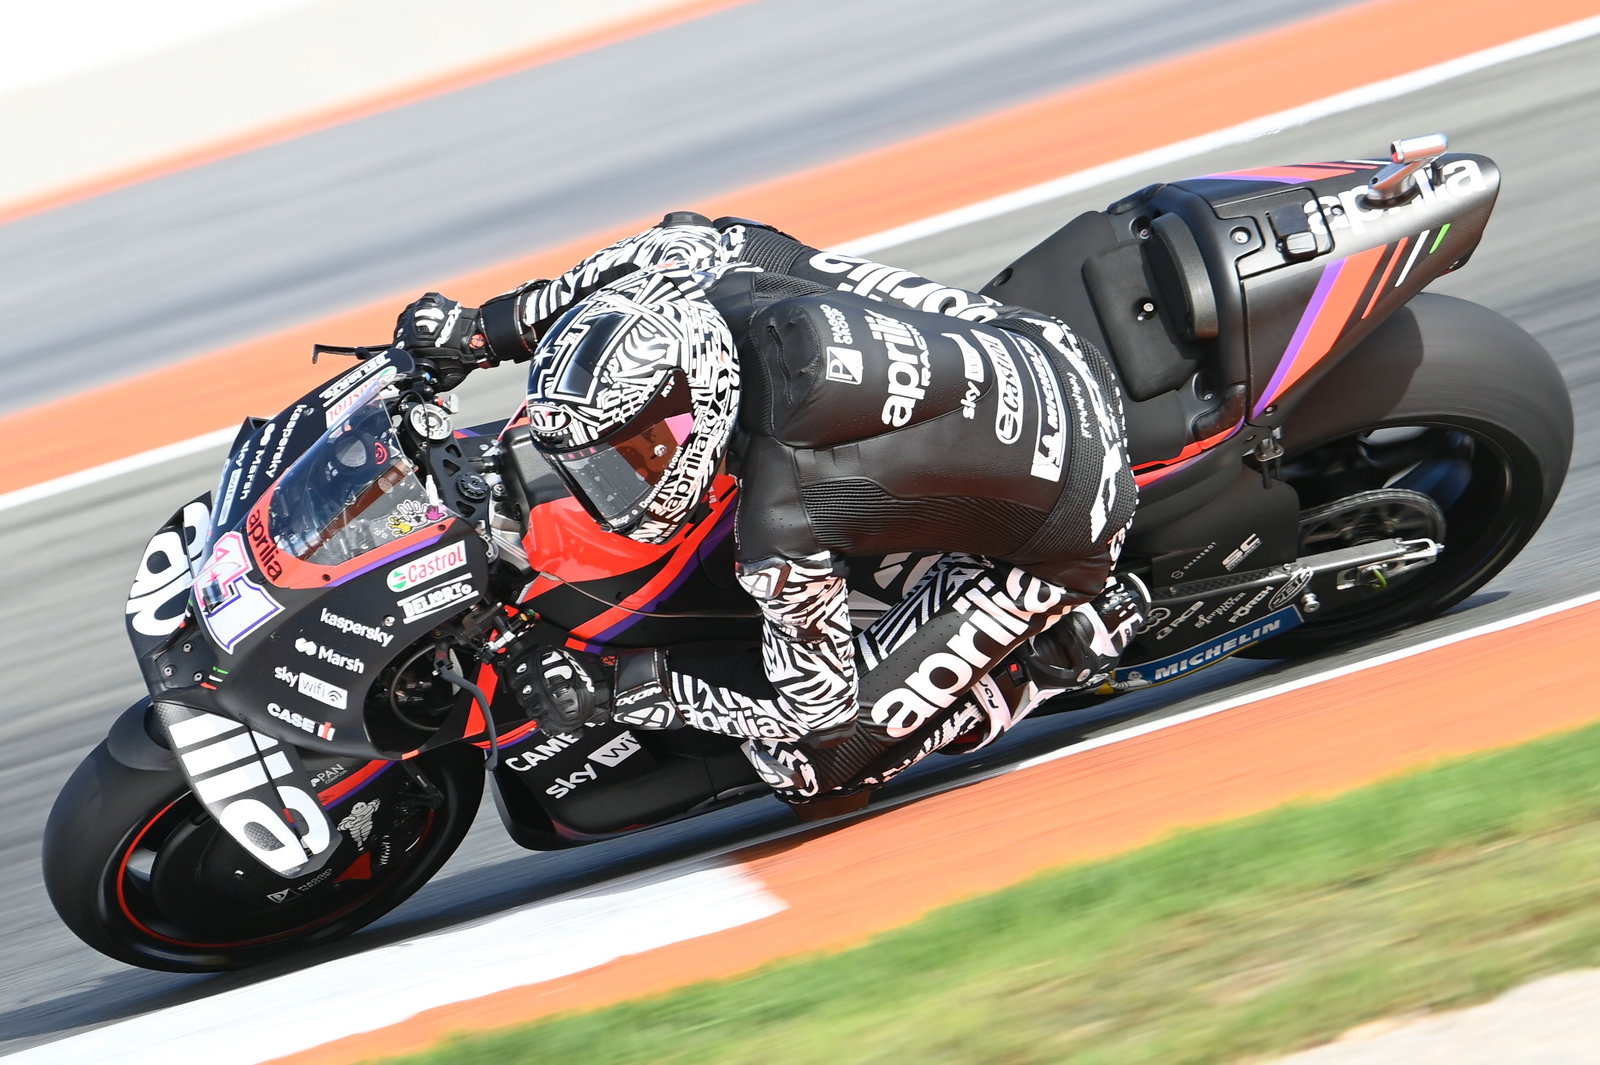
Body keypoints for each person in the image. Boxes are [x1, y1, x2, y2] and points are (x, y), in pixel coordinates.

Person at [392, 211, 1145, 815]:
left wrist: (622, 687)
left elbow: (816, 709)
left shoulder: (782, 524)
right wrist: (484, 331)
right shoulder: (709, 258)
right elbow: (632, 260)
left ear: (705, 398)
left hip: (1077, 508)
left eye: (642, 452)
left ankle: (1049, 657)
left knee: (811, 770)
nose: (617, 479)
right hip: (1037, 341)